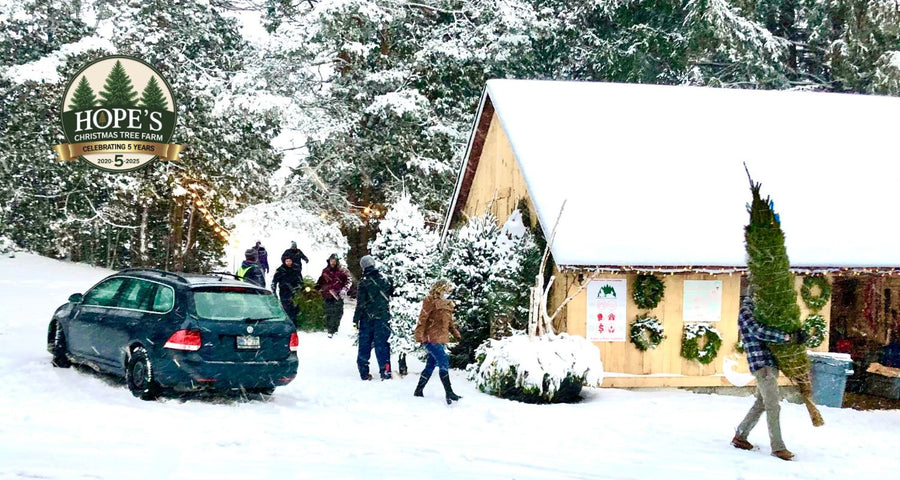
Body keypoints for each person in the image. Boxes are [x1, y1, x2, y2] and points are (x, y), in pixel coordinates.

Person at [732, 293, 807, 461]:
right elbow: (760, 332)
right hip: (762, 364)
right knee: (773, 405)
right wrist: (787, 337)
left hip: (770, 364)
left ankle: (740, 436)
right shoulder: (746, 311)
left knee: (761, 403)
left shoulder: (760, 311)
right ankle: (778, 447)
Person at [413, 279, 462, 404]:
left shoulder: (447, 305)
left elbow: (449, 323)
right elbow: (422, 319)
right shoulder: (430, 301)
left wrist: (456, 334)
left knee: (430, 365)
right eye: (447, 289)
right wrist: (419, 335)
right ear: (441, 288)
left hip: (441, 338)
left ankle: (418, 390)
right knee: (444, 361)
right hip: (430, 338)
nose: (449, 292)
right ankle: (449, 392)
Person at [352, 255, 393, 380]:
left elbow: (360, 303)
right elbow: (391, 294)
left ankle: (364, 372)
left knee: (365, 344)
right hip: (382, 317)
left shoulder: (364, 283)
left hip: (366, 318)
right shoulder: (385, 280)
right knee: (382, 345)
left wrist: (356, 319)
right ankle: (385, 370)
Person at [316, 253, 350, 338]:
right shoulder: (325, 271)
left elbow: (348, 281)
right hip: (327, 295)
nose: (333, 262)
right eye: (331, 261)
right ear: (329, 261)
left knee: (338, 313)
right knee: (329, 312)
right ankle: (330, 329)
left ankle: (335, 328)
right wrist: (316, 288)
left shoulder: (342, 271)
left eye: (334, 261)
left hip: (338, 295)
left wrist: (344, 290)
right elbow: (321, 281)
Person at [272, 257, 303, 324]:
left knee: (295, 308)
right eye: (287, 261)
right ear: (284, 261)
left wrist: (300, 287)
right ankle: (287, 322)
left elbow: (300, 280)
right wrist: (274, 290)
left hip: (295, 291)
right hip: (284, 292)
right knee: (286, 308)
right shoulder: (280, 270)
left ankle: (294, 323)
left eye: (290, 261)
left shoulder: (296, 269)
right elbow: (274, 281)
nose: (288, 262)